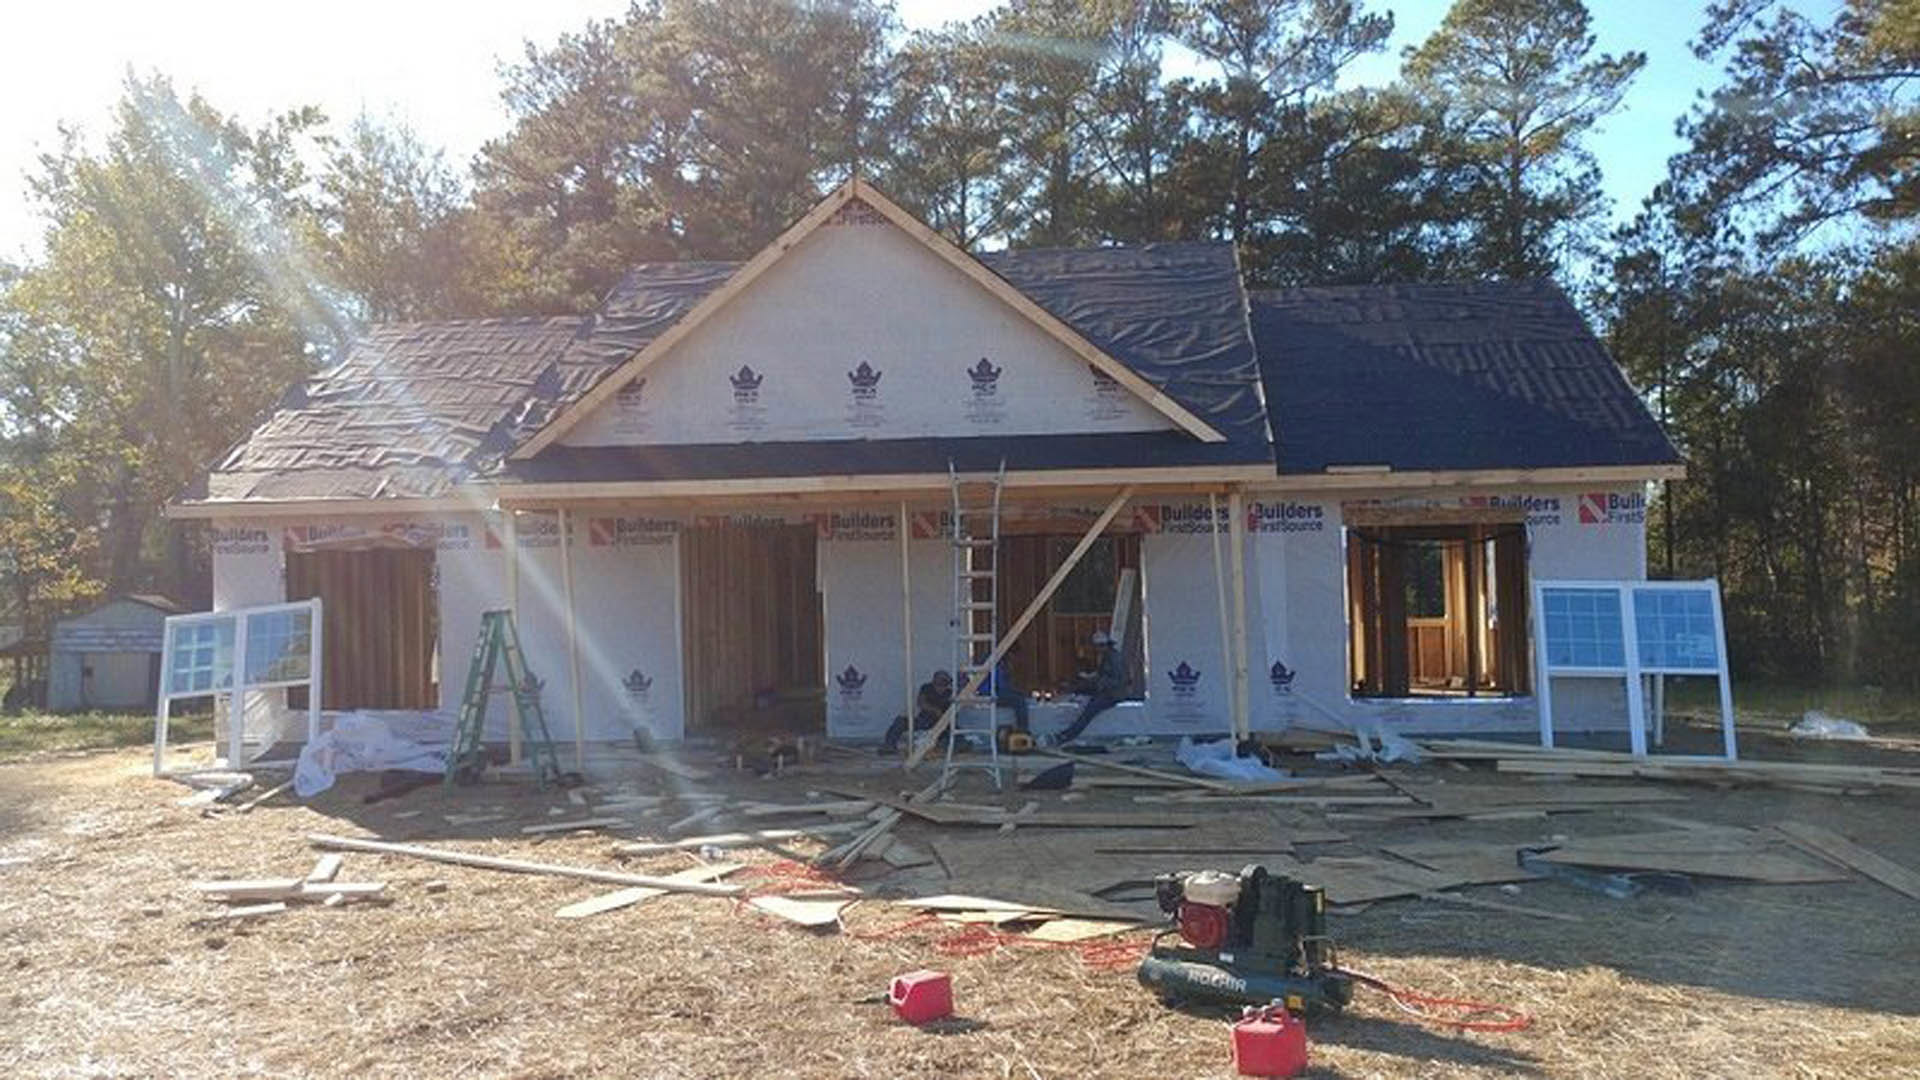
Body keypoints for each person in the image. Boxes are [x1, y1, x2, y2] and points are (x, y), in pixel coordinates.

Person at [1051, 630, 1125, 745]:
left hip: (1113, 694)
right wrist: (1090, 677)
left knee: (1090, 710)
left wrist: (1097, 682)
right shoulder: (1107, 656)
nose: (1097, 650)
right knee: (1078, 689)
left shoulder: (1114, 658)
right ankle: (1066, 733)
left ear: (1103, 645)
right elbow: (1102, 674)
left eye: (1098, 647)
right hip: (1105, 689)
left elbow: (1117, 680)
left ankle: (1068, 735)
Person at [882, 669, 954, 752]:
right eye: (939, 682)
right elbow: (921, 703)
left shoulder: (950, 692)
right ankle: (889, 745)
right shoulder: (927, 688)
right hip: (925, 719)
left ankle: (945, 748)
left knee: (957, 736)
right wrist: (934, 710)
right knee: (900, 722)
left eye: (944, 683)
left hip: (942, 722)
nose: (941, 686)